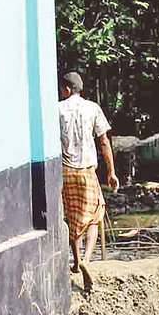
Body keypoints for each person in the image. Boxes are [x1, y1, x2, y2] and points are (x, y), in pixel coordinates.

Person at [59, 72, 120, 285]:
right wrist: (111, 172)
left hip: (66, 172)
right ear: (79, 89)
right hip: (87, 171)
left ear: (66, 89)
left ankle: (76, 262)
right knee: (95, 214)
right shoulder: (92, 108)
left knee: (73, 217)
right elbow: (104, 141)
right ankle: (87, 259)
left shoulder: (57, 110)